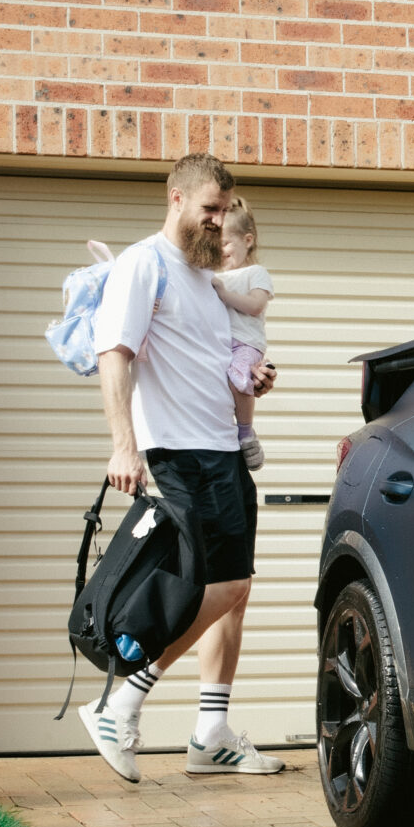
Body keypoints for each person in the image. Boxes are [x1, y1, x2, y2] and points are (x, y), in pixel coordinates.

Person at [80, 153, 285, 781]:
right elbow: (114, 353)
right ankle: (121, 702)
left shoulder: (205, 276)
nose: (219, 224)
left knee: (237, 591)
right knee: (213, 586)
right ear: (176, 199)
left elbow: (210, 363)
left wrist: (252, 380)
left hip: (221, 446)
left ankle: (210, 732)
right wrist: (124, 445)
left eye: (224, 212)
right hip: (178, 451)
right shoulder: (145, 265)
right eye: (209, 210)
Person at [212, 197, 277, 469]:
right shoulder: (211, 275)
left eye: (226, 243)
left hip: (247, 344)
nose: (221, 250)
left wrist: (224, 295)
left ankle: (246, 432)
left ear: (247, 240)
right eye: (216, 244)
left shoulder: (255, 272)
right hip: (221, 345)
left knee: (239, 378)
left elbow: (255, 305)